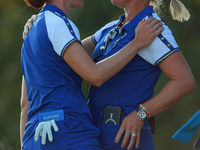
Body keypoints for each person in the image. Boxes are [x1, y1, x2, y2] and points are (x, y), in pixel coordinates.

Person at [20, 0, 164, 150]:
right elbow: (95, 76)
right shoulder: (58, 23)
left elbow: (25, 105)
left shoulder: (32, 30)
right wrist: (137, 43)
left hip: (34, 136)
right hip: (70, 131)